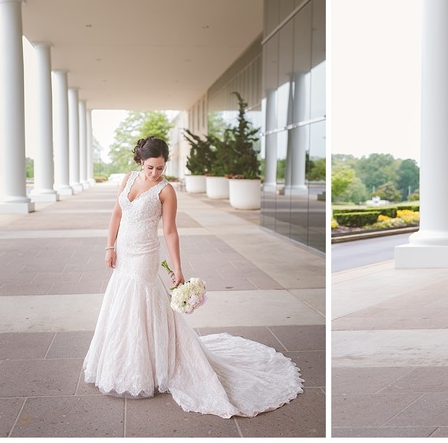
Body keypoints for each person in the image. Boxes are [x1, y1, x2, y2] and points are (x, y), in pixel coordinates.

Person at [83, 136, 302, 418]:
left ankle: (152, 366)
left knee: (141, 303)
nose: (154, 173)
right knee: (121, 304)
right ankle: (123, 362)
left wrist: (178, 268)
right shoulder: (127, 179)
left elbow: (170, 231)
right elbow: (116, 215)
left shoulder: (166, 190)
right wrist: (109, 246)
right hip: (124, 252)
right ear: (141, 161)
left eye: (160, 168)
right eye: (150, 168)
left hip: (145, 256)